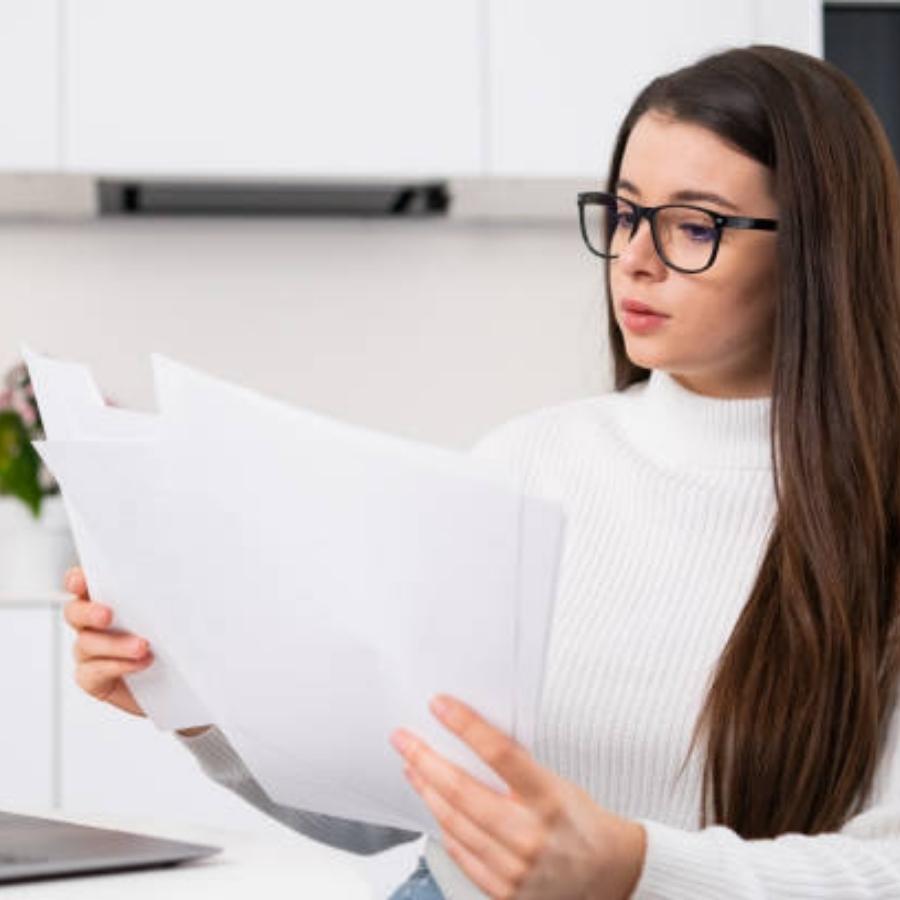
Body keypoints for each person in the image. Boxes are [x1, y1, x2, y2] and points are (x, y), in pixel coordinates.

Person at [62, 43, 900, 899]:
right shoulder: (523, 464)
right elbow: (392, 807)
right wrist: (201, 710)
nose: (635, 258)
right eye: (623, 213)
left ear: (817, 251)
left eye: (694, 226)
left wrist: (635, 871)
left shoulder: (880, 517)